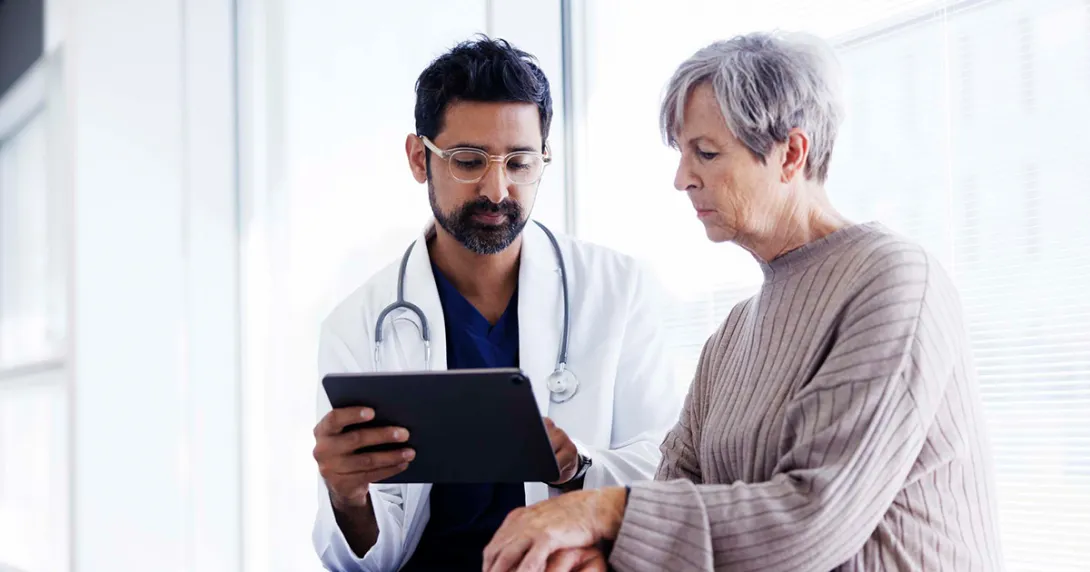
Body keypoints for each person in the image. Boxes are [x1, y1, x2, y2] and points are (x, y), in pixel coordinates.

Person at [483, 31, 1005, 572]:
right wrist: (598, 555)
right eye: (683, 154)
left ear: (791, 154)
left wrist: (602, 511)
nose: (683, 179)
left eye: (705, 153)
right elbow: (675, 494)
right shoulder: (732, 334)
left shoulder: (893, 283)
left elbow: (812, 519)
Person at [309, 36, 683, 572]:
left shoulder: (618, 290)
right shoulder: (357, 325)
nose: (498, 188)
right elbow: (371, 557)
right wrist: (347, 496)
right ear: (420, 158)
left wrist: (579, 467)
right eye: (468, 161)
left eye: (519, 162)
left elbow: (669, 470)